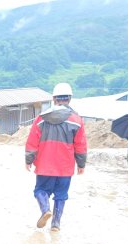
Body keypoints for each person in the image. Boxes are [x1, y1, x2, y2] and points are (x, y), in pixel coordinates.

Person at [25, 83, 87, 232]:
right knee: (61, 195)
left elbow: (32, 141)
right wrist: (81, 164)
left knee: (40, 190)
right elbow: (81, 144)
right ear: (69, 99)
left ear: (54, 98)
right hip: (65, 166)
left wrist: (28, 160)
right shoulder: (77, 120)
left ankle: (45, 209)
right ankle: (56, 224)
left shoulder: (41, 119)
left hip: (44, 164)